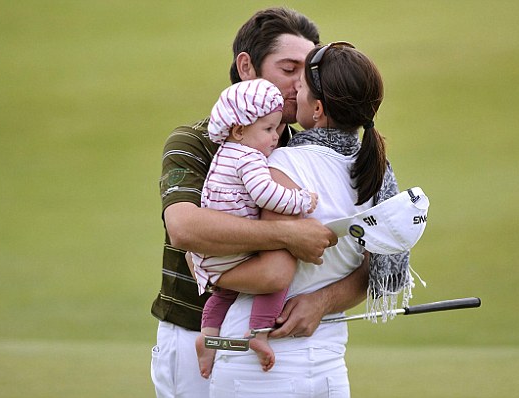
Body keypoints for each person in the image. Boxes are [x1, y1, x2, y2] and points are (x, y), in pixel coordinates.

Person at [150, 8, 377, 398]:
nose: (299, 84)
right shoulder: (194, 141)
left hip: (277, 346)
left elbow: (370, 257)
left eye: (307, 72)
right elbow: (184, 228)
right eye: (289, 68)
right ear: (246, 67)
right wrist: (288, 234)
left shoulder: (304, 148)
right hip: (193, 331)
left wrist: (323, 301)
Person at [209, 41, 414, 397]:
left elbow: (273, 273)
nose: (292, 93)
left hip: (259, 364)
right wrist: (322, 301)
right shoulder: (376, 173)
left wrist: (210, 271)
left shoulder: (282, 165)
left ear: (317, 109)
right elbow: (374, 275)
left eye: (300, 88)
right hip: (329, 365)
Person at [190, 78, 318, 378]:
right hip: (233, 253)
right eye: (268, 129)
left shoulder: (225, 152)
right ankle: (258, 335)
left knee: (222, 294)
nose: (276, 137)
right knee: (277, 281)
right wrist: (301, 201)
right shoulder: (250, 158)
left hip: (211, 254)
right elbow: (266, 194)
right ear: (239, 129)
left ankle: (207, 336)